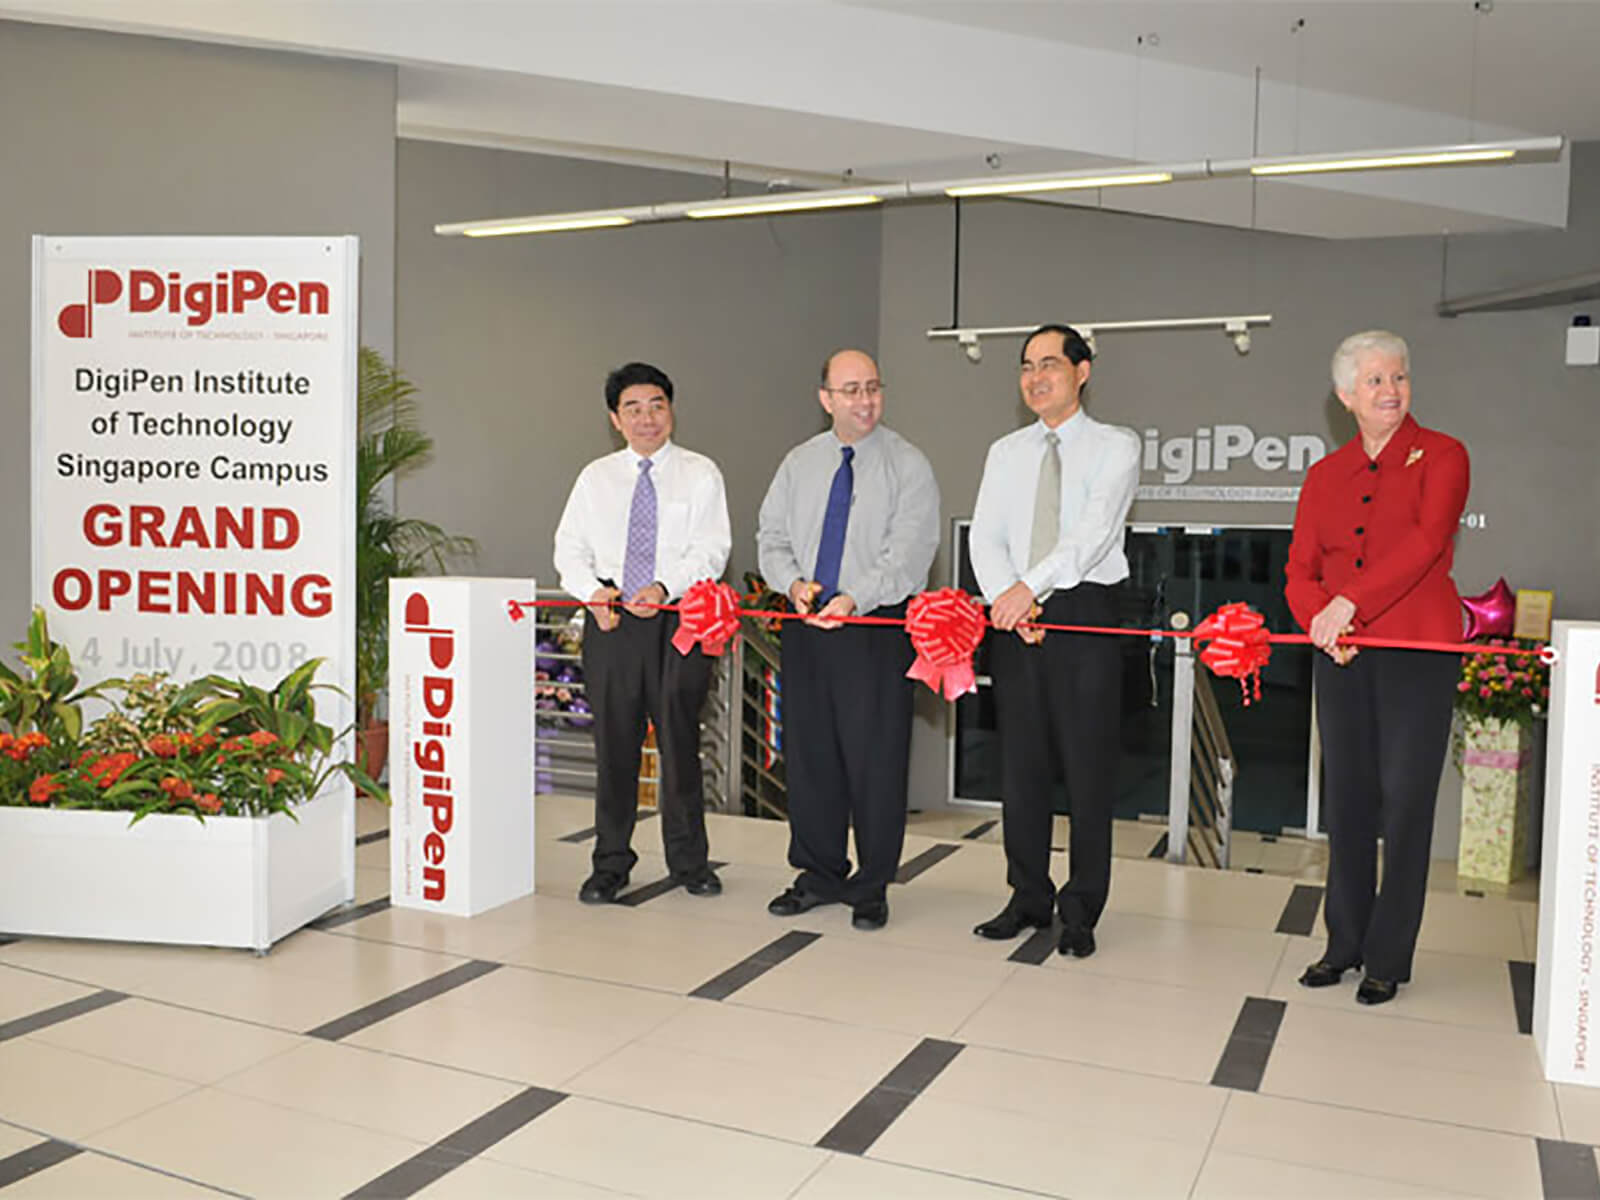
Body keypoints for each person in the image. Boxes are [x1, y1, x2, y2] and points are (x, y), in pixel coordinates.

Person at [1287, 330, 1469, 1006]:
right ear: (1345, 397)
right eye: (1374, 380)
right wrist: (1320, 620)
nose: (1391, 389)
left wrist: (1345, 605)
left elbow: (1426, 544)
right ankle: (1344, 943)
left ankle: (1389, 955)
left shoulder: (1444, 455)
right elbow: (1298, 568)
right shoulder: (1324, 475)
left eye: (1399, 377)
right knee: (1350, 799)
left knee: (1406, 799)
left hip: (1417, 652)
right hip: (1341, 653)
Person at [967, 324, 1140, 958]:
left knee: (1088, 769)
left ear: (1082, 371)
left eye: (1050, 364)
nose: (1036, 377)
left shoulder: (1116, 446)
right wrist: (1007, 597)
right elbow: (984, 536)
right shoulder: (1005, 451)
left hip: (1083, 608)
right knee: (1023, 766)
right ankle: (1027, 896)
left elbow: (1091, 537)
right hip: (1014, 613)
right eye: (1026, 366)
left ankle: (1082, 907)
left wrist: (1030, 590)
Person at [756, 349, 940, 930]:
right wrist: (793, 584)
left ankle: (873, 883)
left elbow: (909, 554)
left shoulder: (908, 465)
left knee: (876, 758)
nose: (864, 401)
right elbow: (770, 537)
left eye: (873, 388)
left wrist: (854, 595)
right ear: (825, 399)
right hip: (808, 627)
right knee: (811, 755)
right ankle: (818, 872)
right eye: (851, 390)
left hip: (875, 626)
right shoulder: (798, 464)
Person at [553, 361, 731, 903]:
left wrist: (663, 587)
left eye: (656, 404)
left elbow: (711, 549)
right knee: (615, 748)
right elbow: (569, 549)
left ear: (671, 409)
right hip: (612, 621)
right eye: (633, 407)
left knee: (679, 744)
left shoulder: (700, 473)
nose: (647, 417)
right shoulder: (595, 477)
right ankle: (609, 863)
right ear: (615, 418)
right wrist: (592, 592)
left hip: (678, 621)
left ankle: (689, 862)